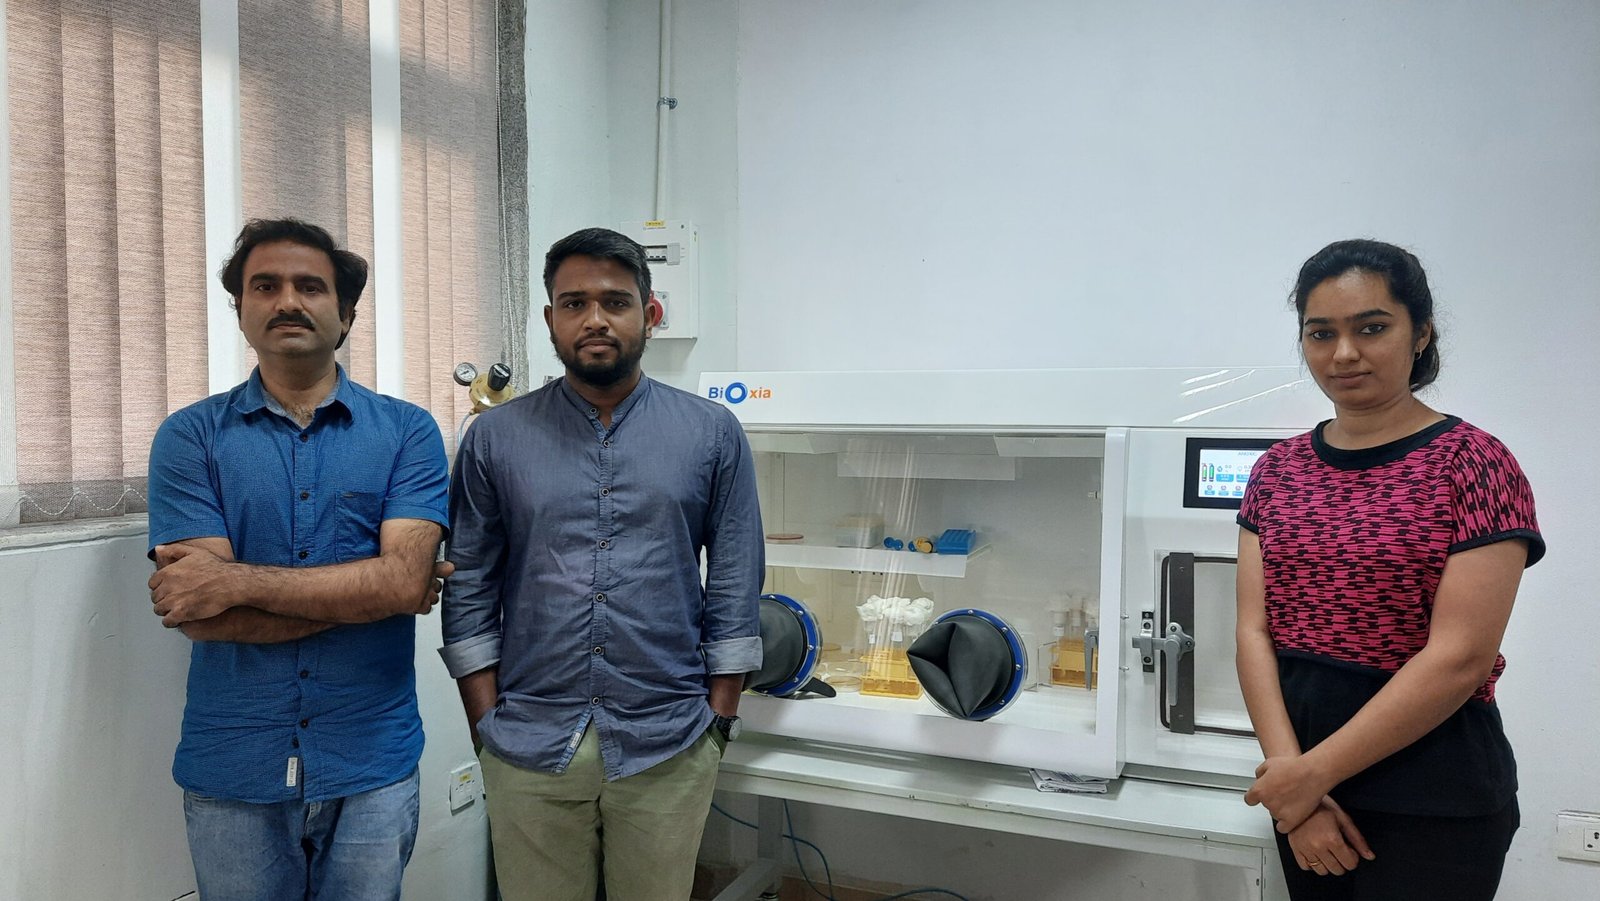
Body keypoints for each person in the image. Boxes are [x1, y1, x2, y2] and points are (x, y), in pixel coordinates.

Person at [440, 227, 763, 901]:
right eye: (574, 303)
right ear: (549, 318)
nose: (594, 319)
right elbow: (468, 585)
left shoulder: (711, 433)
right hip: (528, 741)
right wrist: (485, 726)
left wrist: (718, 721)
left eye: (615, 301)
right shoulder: (495, 438)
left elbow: (735, 579)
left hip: (668, 739)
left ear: (650, 313)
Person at [146, 218, 451, 901]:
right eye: (266, 286)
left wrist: (233, 580)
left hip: (371, 760)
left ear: (346, 314)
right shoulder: (189, 438)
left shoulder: (408, 432)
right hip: (235, 763)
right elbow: (203, 615)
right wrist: (373, 592)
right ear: (241, 310)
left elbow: (403, 583)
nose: (288, 300)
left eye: (310, 286)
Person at [1236, 239, 1544, 900]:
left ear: (1420, 333)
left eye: (1371, 327)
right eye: (1321, 333)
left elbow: (1461, 658)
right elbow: (1253, 630)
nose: (1344, 353)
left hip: (1434, 795)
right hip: (1302, 784)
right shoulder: (1276, 470)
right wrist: (1293, 781)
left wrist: (1311, 775)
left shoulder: (1474, 463)